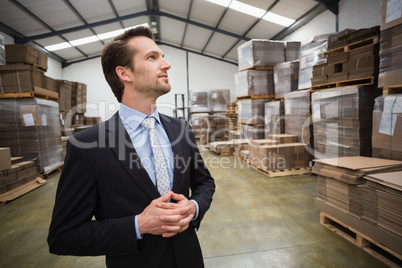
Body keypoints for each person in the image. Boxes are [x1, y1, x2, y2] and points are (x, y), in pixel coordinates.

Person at [47, 26, 215, 268]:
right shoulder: (87, 146)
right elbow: (63, 236)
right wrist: (138, 225)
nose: (166, 65)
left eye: (163, 57)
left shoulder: (181, 130)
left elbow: (204, 183)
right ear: (124, 73)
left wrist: (194, 207)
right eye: (152, 57)